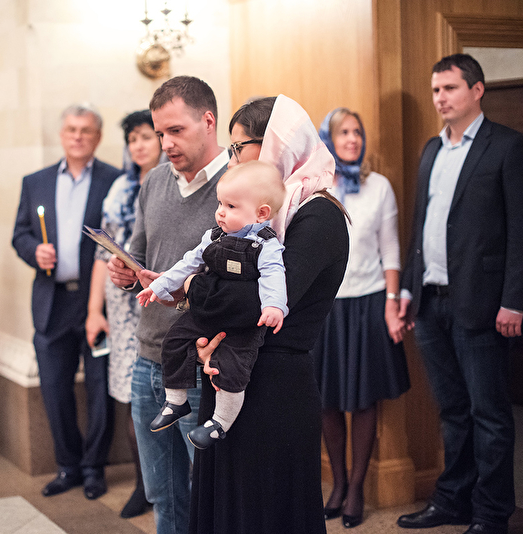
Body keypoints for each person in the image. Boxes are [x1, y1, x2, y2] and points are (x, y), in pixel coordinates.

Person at [185, 95, 350, 534]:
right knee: (226, 508)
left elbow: (253, 303)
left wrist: (190, 288)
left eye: (238, 147)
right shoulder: (262, 216)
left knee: (264, 511)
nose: (232, 160)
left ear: (277, 142)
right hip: (233, 370)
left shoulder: (318, 216)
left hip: (275, 386)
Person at [396, 54, 522, 534]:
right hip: (430, 302)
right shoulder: (432, 149)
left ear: (477, 90)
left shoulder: (507, 147)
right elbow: (421, 226)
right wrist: (408, 288)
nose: (440, 98)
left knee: (490, 415)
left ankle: (492, 514)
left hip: (484, 304)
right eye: (435, 90)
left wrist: (515, 299)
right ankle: (453, 502)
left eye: (449, 88)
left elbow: (520, 231)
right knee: (452, 410)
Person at [107, 75, 230, 534]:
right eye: (160, 133)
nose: (165, 144)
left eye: (176, 130)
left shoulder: (237, 184)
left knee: (211, 495)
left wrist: (188, 290)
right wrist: (125, 272)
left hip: (201, 362)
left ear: (208, 121)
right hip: (148, 358)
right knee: (164, 495)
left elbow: (249, 277)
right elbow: (140, 256)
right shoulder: (155, 180)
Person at [138, 161, 288, 450]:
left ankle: (220, 423)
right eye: (220, 203)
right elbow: (187, 263)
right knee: (175, 340)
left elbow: (273, 275)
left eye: (231, 206)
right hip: (207, 312)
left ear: (261, 213)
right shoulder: (213, 236)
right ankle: (176, 401)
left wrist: (274, 306)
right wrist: (159, 285)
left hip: (243, 323)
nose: (220, 211)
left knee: (231, 368)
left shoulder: (265, 245)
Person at [12, 104, 119, 500]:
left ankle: (94, 468)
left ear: (98, 137)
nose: (77, 136)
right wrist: (33, 251)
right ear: (61, 135)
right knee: (54, 389)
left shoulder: (114, 180)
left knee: (99, 387)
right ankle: (68, 466)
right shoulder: (35, 182)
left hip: (97, 305)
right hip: (51, 301)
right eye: (71, 129)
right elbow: (19, 234)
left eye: (86, 130)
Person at [312, 107, 410, 528]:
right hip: (324, 307)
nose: (352, 139)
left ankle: (356, 489)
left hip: (368, 303)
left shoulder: (379, 186)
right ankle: (336, 483)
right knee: (327, 400)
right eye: (343, 132)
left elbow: (391, 249)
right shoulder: (314, 187)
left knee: (365, 399)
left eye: (357, 132)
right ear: (328, 140)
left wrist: (392, 301)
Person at [84, 109, 163, 517]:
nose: (138, 145)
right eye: (132, 139)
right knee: (133, 400)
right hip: (122, 307)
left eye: (146, 136)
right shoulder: (119, 188)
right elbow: (103, 253)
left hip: (158, 299)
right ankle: (143, 484)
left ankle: (172, 485)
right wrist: (94, 310)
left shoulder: (171, 182)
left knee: (165, 397)